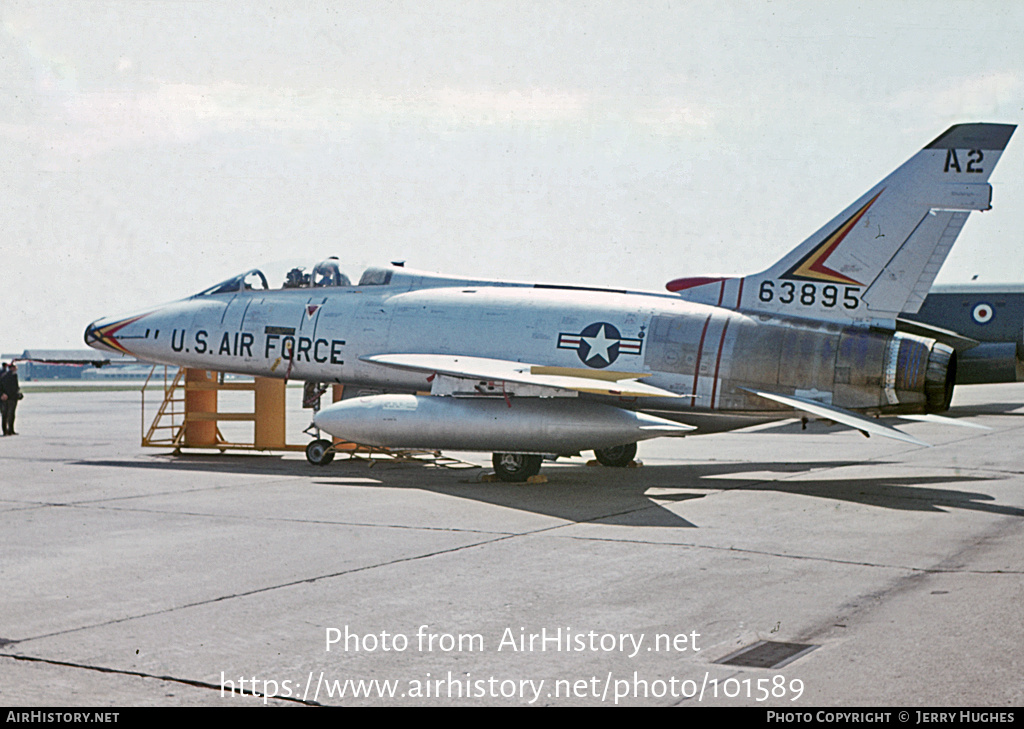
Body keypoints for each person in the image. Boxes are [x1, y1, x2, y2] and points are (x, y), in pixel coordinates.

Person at [1, 362, 22, 435]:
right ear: (12, 368)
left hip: (9, 398)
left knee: (8, 415)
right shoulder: (9, 376)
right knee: (8, 415)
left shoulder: (8, 376)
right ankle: (8, 430)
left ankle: (8, 430)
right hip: (9, 398)